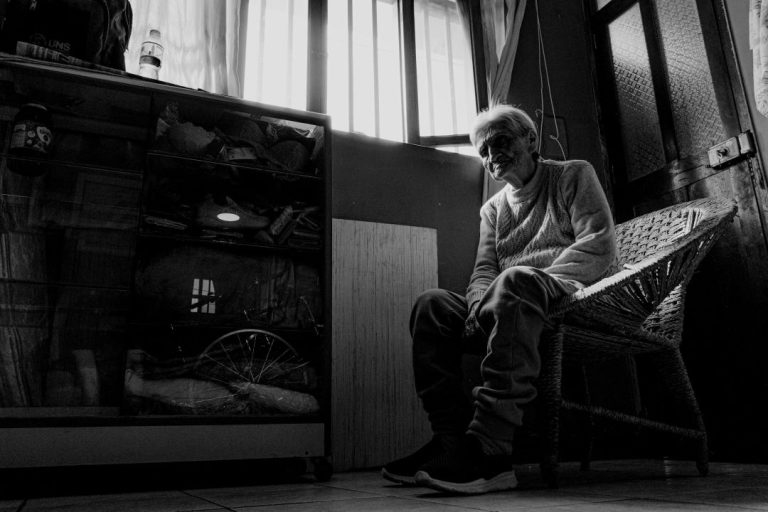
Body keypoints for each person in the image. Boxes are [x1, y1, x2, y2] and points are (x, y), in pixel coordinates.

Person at [381, 104, 617, 495]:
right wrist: (477, 307)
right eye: (484, 152)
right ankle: (450, 442)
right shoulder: (492, 209)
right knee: (433, 304)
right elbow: (484, 270)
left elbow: (597, 245)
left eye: (501, 142)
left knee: (516, 280)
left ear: (531, 140)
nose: (492, 156)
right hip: (505, 299)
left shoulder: (574, 174)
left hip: (566, 294)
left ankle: (491, 449)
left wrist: (533, 285)